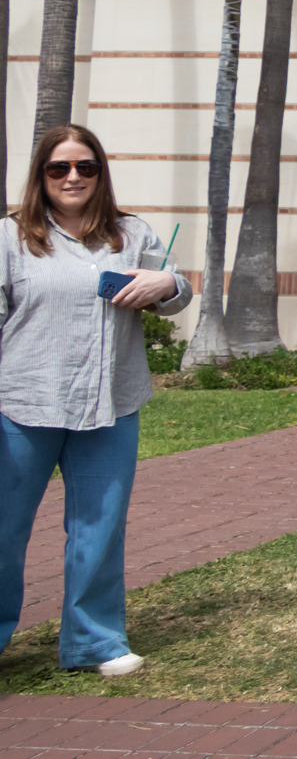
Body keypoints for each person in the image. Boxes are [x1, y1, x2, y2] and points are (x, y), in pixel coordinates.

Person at [0, 124, 189, 676]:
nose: (73, 177)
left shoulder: (131, 234)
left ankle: (94, 641)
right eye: (59, 168)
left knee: (100, 527)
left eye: (85, 166)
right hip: (23, 401)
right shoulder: (11, 238)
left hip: (110, 404)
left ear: (100, 173)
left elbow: (175, 293)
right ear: (40, 177)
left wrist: (167, 285)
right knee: (5, 527)